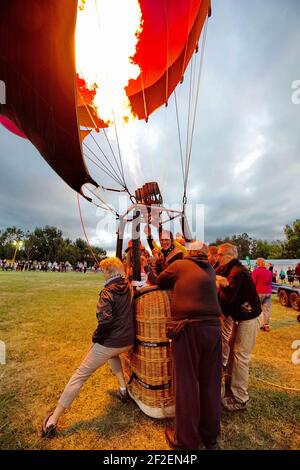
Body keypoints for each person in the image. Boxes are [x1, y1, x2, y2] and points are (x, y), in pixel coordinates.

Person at [41, 257, 134, 438]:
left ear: (108, 273)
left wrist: (96, 337)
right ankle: (124, 390)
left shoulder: (107, 293)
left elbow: (105, 322)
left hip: (112, 342)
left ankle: (52, 420)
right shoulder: (129, 286)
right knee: (112, 355)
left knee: (80, 374)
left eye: (103, 271)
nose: (101, 274)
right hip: (128, 341)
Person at [157, 241, 222, 450]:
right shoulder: (210, 269)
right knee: (210, 382)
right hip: (213, 329)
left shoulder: (181, 265)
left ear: (190, 253)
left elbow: (160, 280)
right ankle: (210, 435)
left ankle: (185, 441)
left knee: (186, 384)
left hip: (189, 329)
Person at [216, 243, 262, 412]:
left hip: (249, 318)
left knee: (241, 355)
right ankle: (231, 384)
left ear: (230, 255)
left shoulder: (238, 272)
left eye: (220, 254)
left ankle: (241, 398)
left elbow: (228, 299)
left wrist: (223, 285)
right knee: (233, 348)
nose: (217, 257)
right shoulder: (226, 270)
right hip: (240, 318)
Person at [252, 258, 272, 332]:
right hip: (268, 292)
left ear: (258, 264)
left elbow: (253, 283)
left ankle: (254, 325)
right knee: (266, 310)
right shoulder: (269, 272)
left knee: (255, 309)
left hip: (259, 292)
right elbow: (270, 281)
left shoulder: (255, 271)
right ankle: (266, 326)